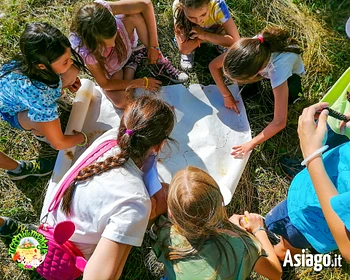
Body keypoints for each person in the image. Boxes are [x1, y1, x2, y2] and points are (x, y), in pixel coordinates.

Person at [152, 166, 282, 280]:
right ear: (220, 201)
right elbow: (275, 273)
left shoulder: (164, 231)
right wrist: (258, 230)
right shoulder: (243, 247)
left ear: (171, 214)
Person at [0, 22, 89, 179]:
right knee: (43, 124)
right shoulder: (39, 95)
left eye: (69, 57)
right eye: (65, 61)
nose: (70, 63)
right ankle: (40, 133)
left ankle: (50, 113)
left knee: (72, 71)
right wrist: (84, 137)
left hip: (28, 94)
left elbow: (67, 70)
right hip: (14, 112)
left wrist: (66, 82)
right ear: (42, 66)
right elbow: (59, 143)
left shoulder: (33, 59)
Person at [265, 103, 350, 262]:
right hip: (331, 170)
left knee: (282, 236)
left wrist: (312, 157)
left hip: (311, 215)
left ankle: (279, 256)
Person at [70, 0, 188, 109]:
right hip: (113, 68)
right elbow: (105, 83)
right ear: (92, 43)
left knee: (134, 16)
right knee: (122, 101)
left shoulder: (102, 11)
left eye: (113, 37)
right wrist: (139, 83)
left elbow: (145, 4)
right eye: (106, 45)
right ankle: (131, 65)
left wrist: (153, 47)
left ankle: (158, 61)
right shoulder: (87, 53)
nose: (112, 44)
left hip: (125, 46)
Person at [217, 27, 304, 155]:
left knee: (287, 97)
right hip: (266, 68)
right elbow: (213, 65)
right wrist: (226, 94)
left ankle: (294, 96)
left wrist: (251, 143)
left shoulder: (278, 68)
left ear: (256, 74)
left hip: (291, 76)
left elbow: (279, 121)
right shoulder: (248, 50)